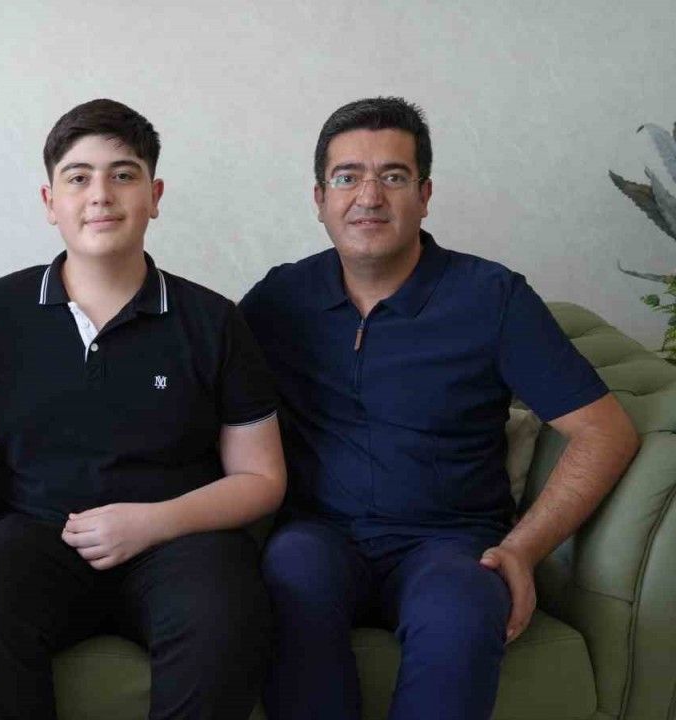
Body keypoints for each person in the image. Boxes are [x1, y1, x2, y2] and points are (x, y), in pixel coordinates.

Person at [238, 97, 640, 720]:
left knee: (462, 606)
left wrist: (523, 549)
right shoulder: (279, 299)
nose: (369, 197)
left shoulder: (492, 297)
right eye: (347, 177)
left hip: (450, 543)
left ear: (424, 195)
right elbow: (203, 400)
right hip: (319, 537)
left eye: (393, 176)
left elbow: (605, 432)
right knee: (288, 577)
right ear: (319, 198)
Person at [0, 98, 287, 719]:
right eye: (78, 177)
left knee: (227, 618)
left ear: (154, 195)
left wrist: (155, 522)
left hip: (180, 540)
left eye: (123, 175)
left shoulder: (212, 320)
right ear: (50, 201)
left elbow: (261, 477)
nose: (100, 194)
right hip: (37, 536)